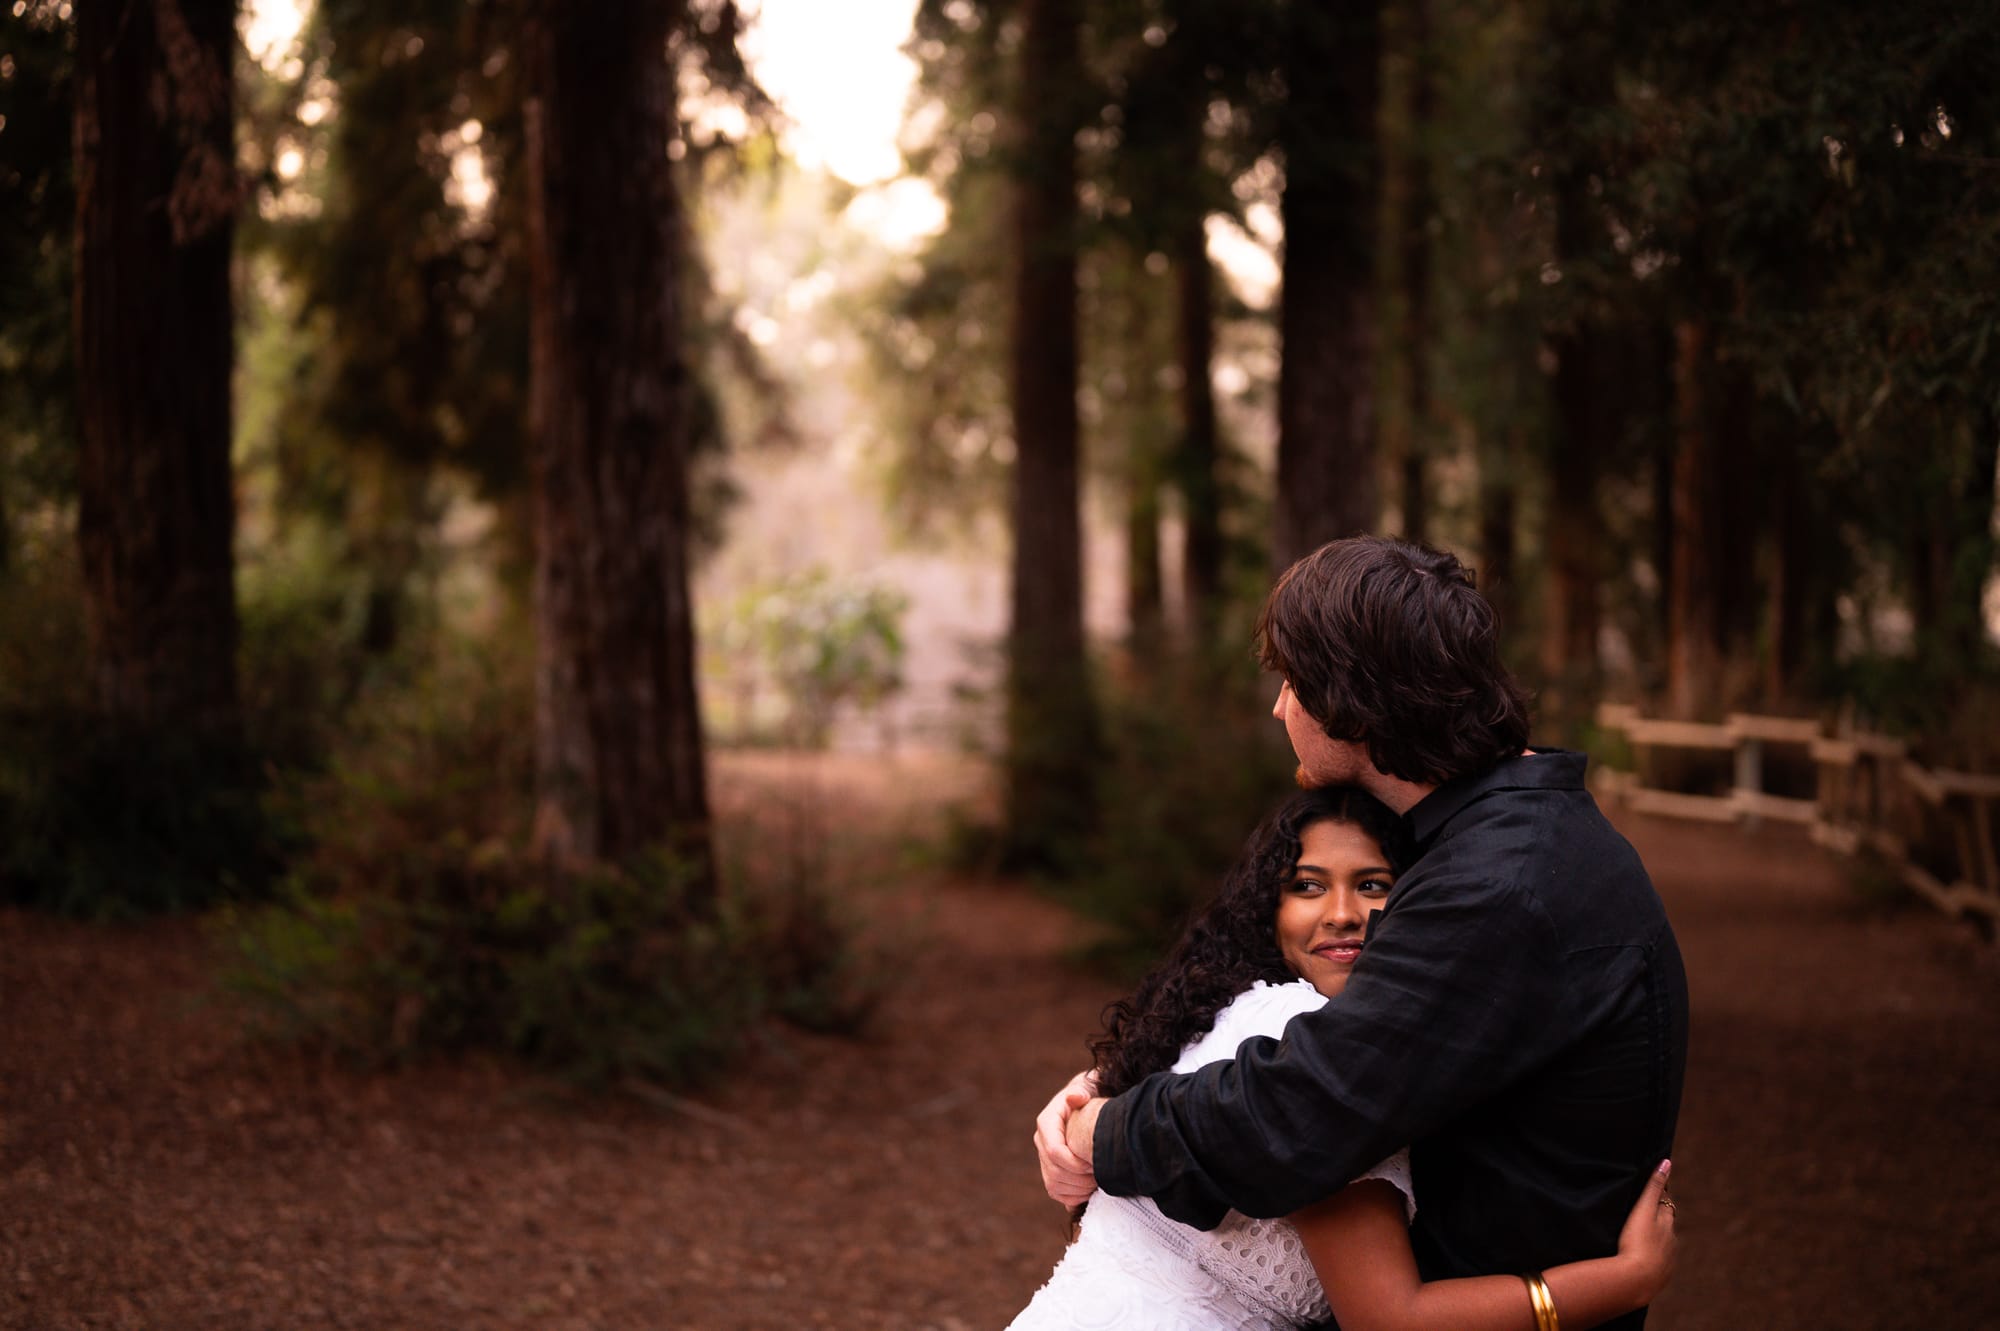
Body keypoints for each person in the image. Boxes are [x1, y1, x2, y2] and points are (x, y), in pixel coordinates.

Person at [1035, 537, 1689, 1331]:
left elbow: (1302, 1110)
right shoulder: (1514, 843)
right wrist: (1109, 1081)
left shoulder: (1497, 885)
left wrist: (1107, 1130)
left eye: (1291, 683)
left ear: (1350, 699)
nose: (1280, 708)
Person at [1010, 787, 1676, 1331]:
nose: (1341, 914)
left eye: (1372, 884)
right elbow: (1389, 1320)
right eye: (1307, 885)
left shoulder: (1219, 1009)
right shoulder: (1306, 1042)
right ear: (1267, 909)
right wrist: (1624, 1280)